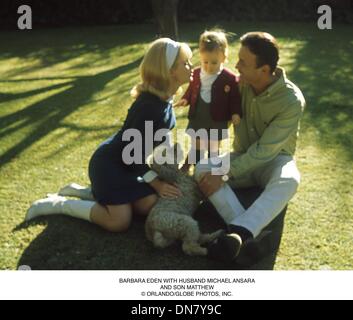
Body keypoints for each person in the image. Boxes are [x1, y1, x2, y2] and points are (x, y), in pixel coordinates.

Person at [26, 38, 193, 233]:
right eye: (186, 63)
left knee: (148, 204)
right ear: (169, 70)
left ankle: (85, 192)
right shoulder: (150, 108)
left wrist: (168, 173)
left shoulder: (164, 100)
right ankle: (58, 204)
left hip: (130, 166)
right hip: (110, 166)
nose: (191, 66)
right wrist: (156, 183)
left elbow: (156, 145)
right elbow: (132, 155)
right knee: (119, 221)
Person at [194, 32, 306, 262]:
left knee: (290, 179)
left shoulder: (291, 100)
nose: (236, 66)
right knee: (203, 168)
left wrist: (224, 174)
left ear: (264, 70)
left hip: (274, 160)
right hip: (241, 156)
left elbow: (266, 151)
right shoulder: (237, 86)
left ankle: (240, 233)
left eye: (243, 63)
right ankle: (243, 235)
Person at [174, 30, 242, 172]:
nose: (209, 66)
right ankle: (192, 164)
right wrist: (185, 99)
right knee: (197, 143)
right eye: (205, 62)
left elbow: (235, 98)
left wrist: (235, 113)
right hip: (199, 114)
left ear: (224, 57)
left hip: (218, 118)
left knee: (213, 146)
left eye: (214, 62)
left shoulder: (229, 78)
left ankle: (212, 169)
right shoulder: (197, 73)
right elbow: (192, 89)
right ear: (200, 56)